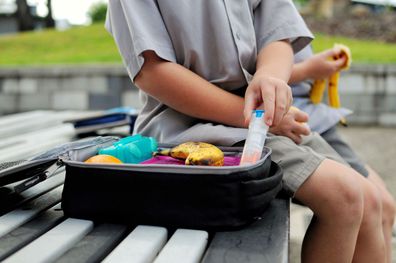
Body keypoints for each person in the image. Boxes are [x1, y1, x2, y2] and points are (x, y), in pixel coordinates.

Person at [105, 1, 386, 262]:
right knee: (343, 196)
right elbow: (152, 72)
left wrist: (269, 78)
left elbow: (278, 35)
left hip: (264, 118)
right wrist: (252, 114)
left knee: (372, 201)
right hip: (190, 129)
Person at [289, 44, 396, 263]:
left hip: (311, 117)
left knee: (384, 205)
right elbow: (246, 74)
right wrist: (308, 69)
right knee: (358, 201)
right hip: (291, 119)